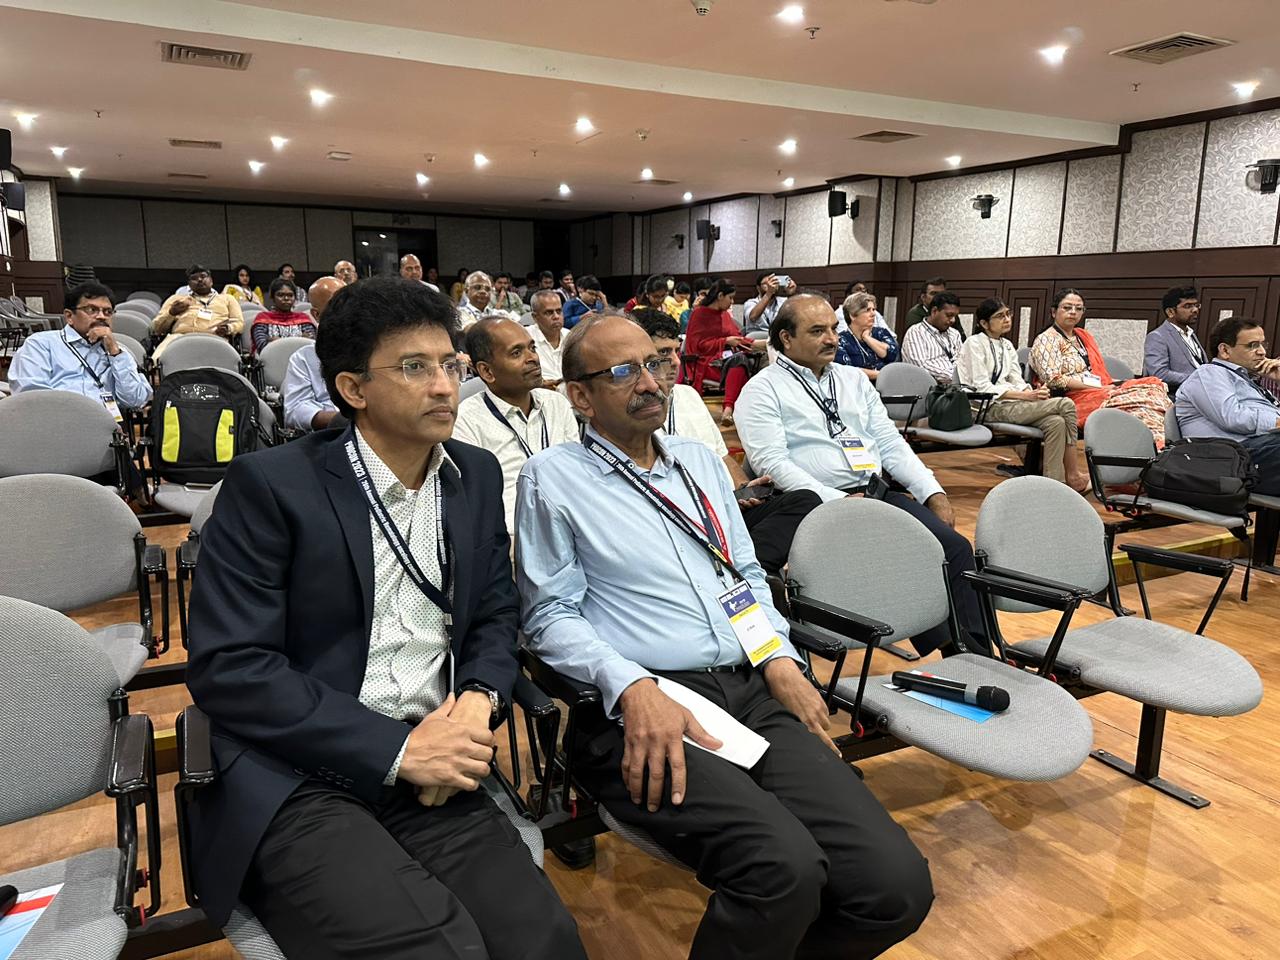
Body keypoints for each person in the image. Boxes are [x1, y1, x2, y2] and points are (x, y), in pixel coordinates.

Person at [185, 276, 586, 959]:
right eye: (414, 367)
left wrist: (478, 698)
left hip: (434, 751)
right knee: (431, 947)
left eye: (450, 365)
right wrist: (396, 752)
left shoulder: (474, 474)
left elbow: (495, 612)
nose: (444, 386)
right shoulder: (272, 485)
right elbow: (232, 667)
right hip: (300, 771)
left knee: (543, 939)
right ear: (353, 388)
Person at [515, 313, 932, 960]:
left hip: (749, 688)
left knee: (895, 887)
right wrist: (631, 686)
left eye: (656, 364)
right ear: (580, 396)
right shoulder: (553, 477)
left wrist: (779, 658)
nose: (649, 382)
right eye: (623, 372)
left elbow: (744, 576)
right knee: (782, 870)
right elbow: (547, 617)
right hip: (642, 703)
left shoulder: (699, 463)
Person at [735, 294, 991, 658]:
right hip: (812, 504)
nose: (831, 339)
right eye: (817, 331)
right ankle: (954, 650)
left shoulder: (852, 379)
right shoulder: (763, 389)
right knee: (897, 550)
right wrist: (839, 502)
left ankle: (976, 659)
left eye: (833, 329)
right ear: (786, 338)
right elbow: (771, 462)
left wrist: (932, 492)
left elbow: (890, 442)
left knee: (954, 548)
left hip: (873, 494)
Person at [636, 308, 823, 573]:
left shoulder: (688, 395)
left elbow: (722, 456)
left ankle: (743, 572)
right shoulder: (636, 409)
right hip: (680, 514)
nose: (676, 362)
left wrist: (744, 488)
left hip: (723, 506)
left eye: (677, 351)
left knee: (805, 501)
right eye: (663, 354)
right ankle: (748, 572)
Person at [453, 318, 578, 533]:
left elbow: (576, 472)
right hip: (513, 535)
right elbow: (477, 505)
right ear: (487, 371)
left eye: (532, 348)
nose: (533, 358)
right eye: (516, 353)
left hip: (570, 523)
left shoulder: (557, 404)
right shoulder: (466, 422)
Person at [957, 298, 1087, 489]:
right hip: (985, 408)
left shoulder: (1007, 345)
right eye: (1000, 316)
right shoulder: (974, 343)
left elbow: (1017, 380)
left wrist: (1034, 392)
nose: (1007, 319)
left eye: (1008, 314)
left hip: (1012, 404)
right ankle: (1073, 473)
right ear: (984, 323)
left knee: (1056, 423)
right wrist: (1026, 397)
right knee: (1066, 404)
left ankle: (1053, 486)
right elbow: (982, 386)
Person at [1030, 288, 1170, 444]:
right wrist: (1098, 388)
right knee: (1142, 401)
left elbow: (1095, 373)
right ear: (1053, 312)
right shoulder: (1047, 339)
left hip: (1096, 389)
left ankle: (1158, 443)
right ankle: (1154, 445)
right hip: (1070, 398)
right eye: (1067, 307)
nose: (1073, 312)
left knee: (1153, 385)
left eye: (1078, 308)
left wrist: (1117, 384)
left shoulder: (1082, 336)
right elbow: (1054, 380)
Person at [9, 281, 152, 413]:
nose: (101, 316)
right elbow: (33, 399)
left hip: (107, 426)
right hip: (59, 424)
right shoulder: (41, 345)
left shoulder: (118, 352)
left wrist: (115, 353)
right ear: (69, 316)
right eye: (92, 309)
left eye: (108, 311)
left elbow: (134, 400)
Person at [1176, 316, 1280, 495]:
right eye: (1252, 345)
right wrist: (1277, 422)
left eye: (1263, 344)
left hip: (1257, 450)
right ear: (1224, 350)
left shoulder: (1248, 380)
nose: (1262, 352)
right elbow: (1232, 417)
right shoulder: (1209, 373)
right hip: (1229, 458)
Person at [684, 278, 766, 426]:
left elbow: (738, 339)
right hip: (706, 363)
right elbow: (696, 346)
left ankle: (729, 409)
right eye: (730, 298)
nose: (732, 302)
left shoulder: (724, 315)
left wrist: (761, 344)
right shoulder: (699, 314)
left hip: (727, 360)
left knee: (745, 360)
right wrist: (725, 341)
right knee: (740, 362)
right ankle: (729, 409)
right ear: (720, 296)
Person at [281, 277, 344, 431]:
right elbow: (295, 410)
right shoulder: (303, 358)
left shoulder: (375, 349)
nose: (347, 310)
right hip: (333, 431)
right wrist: (342, 421)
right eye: (337, 305)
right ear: (316, 314)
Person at [153, 264, 244, 360]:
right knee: (157, 360)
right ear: (189, 284)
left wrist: (228, 328)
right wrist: (171, 313)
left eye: (203, 276)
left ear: (211, 281)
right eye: (194, 278)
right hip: (180, 338)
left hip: (215, 338)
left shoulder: (227, 299)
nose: (199, 280)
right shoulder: (177, 299)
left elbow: (239, 322)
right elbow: (157, 328)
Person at [1143, 286, 1206, 395]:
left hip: (1198, 393)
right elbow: (1159, 374)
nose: (1195, 310)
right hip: (1175, 397)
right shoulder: (1157, 337)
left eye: (1196, 305)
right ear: (1170, 311)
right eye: (1188, 306)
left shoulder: (1191, 333)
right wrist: (1196, 379)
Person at [901, 292, 963, 384]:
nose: (953, 320)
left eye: (955, 316)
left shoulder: (954, 334)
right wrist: (956, 377)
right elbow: (921, 367)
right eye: (949, 315)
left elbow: (961, 361)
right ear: (934, 311)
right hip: (927, 387)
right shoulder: (916, 332)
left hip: (956, 386)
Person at [834, 291, 899, 380]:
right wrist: (880, 375)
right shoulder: (840, 340)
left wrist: (867, 338)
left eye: (873, 309)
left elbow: (891, 354)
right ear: (852, 315)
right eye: (867, 310)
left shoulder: (881, 332)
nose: (873, 314)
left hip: (887, 384)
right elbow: (848, 371)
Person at [250, 277, 317, 354]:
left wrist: (276, 342)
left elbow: (310, 344)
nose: (286, 298)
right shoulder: (262, 319)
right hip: (273, 358)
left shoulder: (303, 318)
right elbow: (262, 346)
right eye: (280, 295)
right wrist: (299, 340)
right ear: (272, 297)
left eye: (290, 295)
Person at [741, 272, 798, 338]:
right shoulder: (751, 302)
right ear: (758, 288)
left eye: (773, 282)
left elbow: (796, 314)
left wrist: (791, 293)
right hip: (757, 337)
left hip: (777, 337)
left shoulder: (783, 301)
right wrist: (769, 293)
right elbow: (753, 317)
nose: (770, 286)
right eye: (765, 284)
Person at [528, 290, 566, 388]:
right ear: (535, 317)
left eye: (559, 311)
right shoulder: (525, 338)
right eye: (549, 313)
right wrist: (538, 385)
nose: (556, 317)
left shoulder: (571, 336)